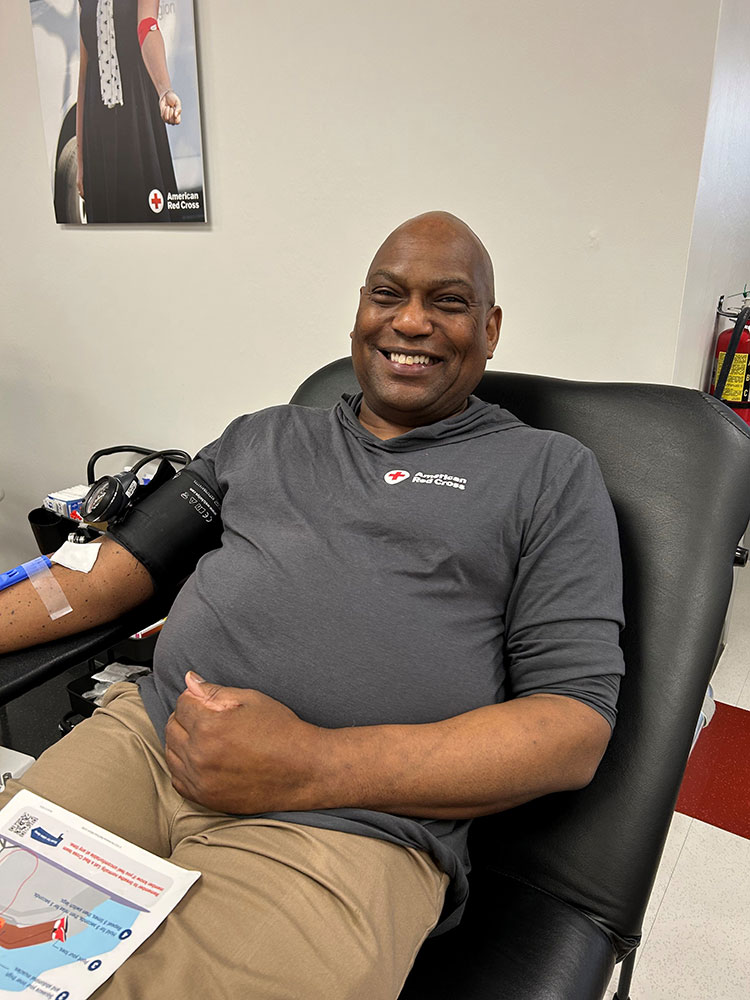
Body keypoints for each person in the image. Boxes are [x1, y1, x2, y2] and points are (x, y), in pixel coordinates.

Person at [0, 212, 625, 998]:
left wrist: (306, 765)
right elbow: (101, 574)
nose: (410, 321)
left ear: (491, 328)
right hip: (148, 741)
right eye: (387, 295)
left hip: (349, 820)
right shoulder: (261, 435)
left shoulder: (548, 473)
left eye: (450, 302)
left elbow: (572, 729)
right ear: (359, 310)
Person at [76, 0, 182, 222]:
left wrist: (164, 89)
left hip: (137, 117)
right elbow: (84, 73)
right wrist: (81, 161)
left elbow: (147, 26)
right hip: (97, 125)